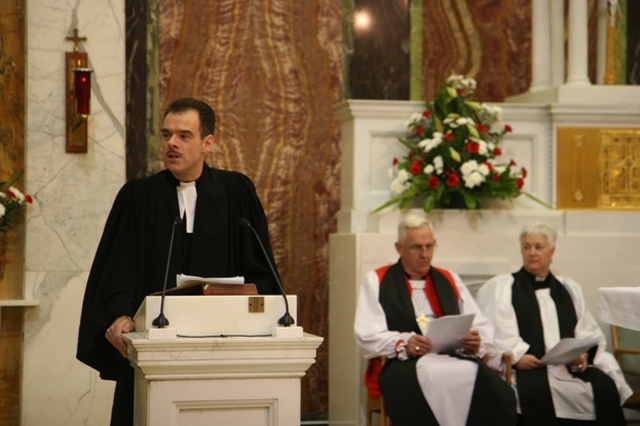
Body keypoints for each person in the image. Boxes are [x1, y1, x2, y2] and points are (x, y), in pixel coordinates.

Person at [76, 97, 281, 426]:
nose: (172, 143)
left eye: (184, 135)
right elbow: (117, 269)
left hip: (222, 347)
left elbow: (261, 271)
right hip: (152, 349)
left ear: (207, 143)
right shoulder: (138, 196)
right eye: (166, 134)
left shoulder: (236, 192)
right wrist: (119, 314)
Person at [353, 214, 517, 426]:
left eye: (430, 246)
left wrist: (476, 342)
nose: (425, 254)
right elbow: (367, 334)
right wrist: (403, 343)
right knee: (430, 375)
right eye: (416, 247)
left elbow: (480, 325)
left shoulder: (448, 278)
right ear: (399, 247)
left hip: (452, 357)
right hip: (404, 364)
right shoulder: (377, 280)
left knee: (481, 377)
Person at [475, 222, 632, 425]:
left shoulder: (569, 288)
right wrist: (517, 355)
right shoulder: (504, 287)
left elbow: (586, 332)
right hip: (528, 371)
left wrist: (581, 355)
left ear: (552, 251)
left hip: (567, 368)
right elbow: (495, 330)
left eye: (538, 247)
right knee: (537, 394)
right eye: (526, 247)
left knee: (604, 387)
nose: (532, 253)